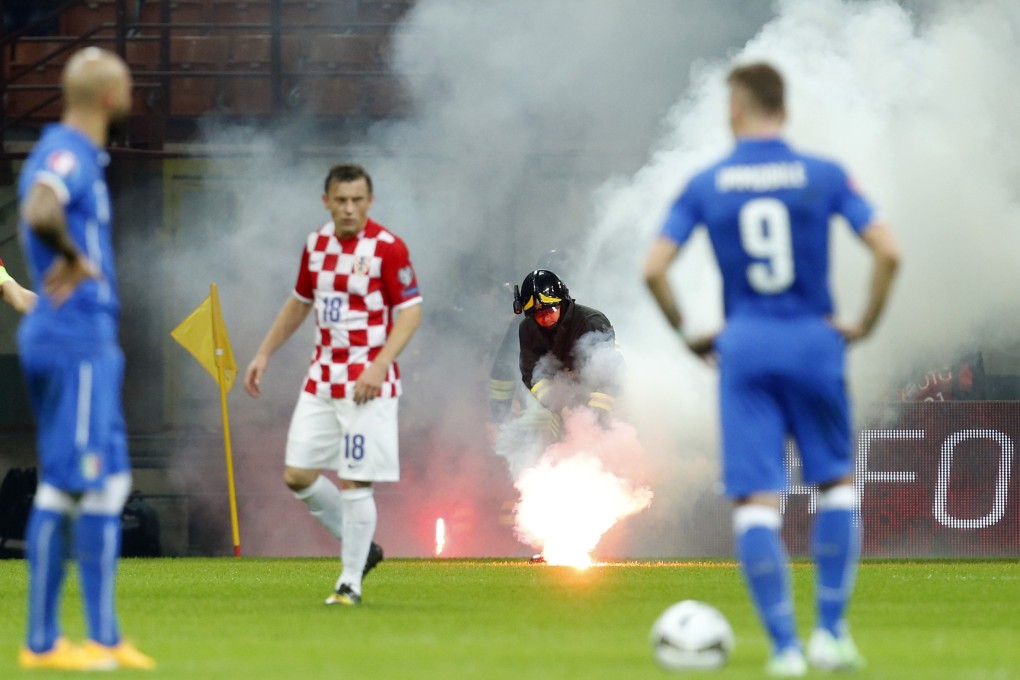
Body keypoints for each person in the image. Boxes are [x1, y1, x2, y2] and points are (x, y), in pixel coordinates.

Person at [644, 62, 899, 676]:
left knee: (756, 501)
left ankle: (784, 649)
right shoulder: (825, 174)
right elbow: (889, 251)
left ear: (736, 107)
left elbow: (654, 268)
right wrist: (863, 323)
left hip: (747, 347)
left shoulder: (707, 182)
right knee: (835, 484)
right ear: (783, 108)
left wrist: (687, 335)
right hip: (815, 339)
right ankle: (829, 636)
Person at [16, 47, 155, 671]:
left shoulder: (85, 159)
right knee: (67, 485)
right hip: (70, 343)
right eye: (126, 85)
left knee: (109, 487)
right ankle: (41, 644)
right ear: (106, 96)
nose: (132, 94)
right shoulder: (65, 153)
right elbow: (40, 206)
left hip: (94, 345)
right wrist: (71, 258)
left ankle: (104, 637)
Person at [244, 163, 422, 606]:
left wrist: (379, 365)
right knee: (298, 475)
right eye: (340, 200)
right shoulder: (316, 245)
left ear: (370, 202)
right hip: (322, 379)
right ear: (326, 201)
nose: (348, 208)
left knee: (353, 480)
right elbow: (300, 303)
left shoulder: (388, 248)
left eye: (357, 200)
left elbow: (411, 312)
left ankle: (349, 582)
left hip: (367, 384)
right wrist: (264, 352)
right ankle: (362, 546)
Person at [514, 269, 620, 428]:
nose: (545, 318)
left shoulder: (591, 322)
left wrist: (594, 419)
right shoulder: (528, 329)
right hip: (567, 399)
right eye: (538, 314)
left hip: (608, 395)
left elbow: (608, 377)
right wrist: (559, 407)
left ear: (562, 303)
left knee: (609, 438)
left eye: (550, 310)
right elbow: (532, 375)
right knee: (563, 441)